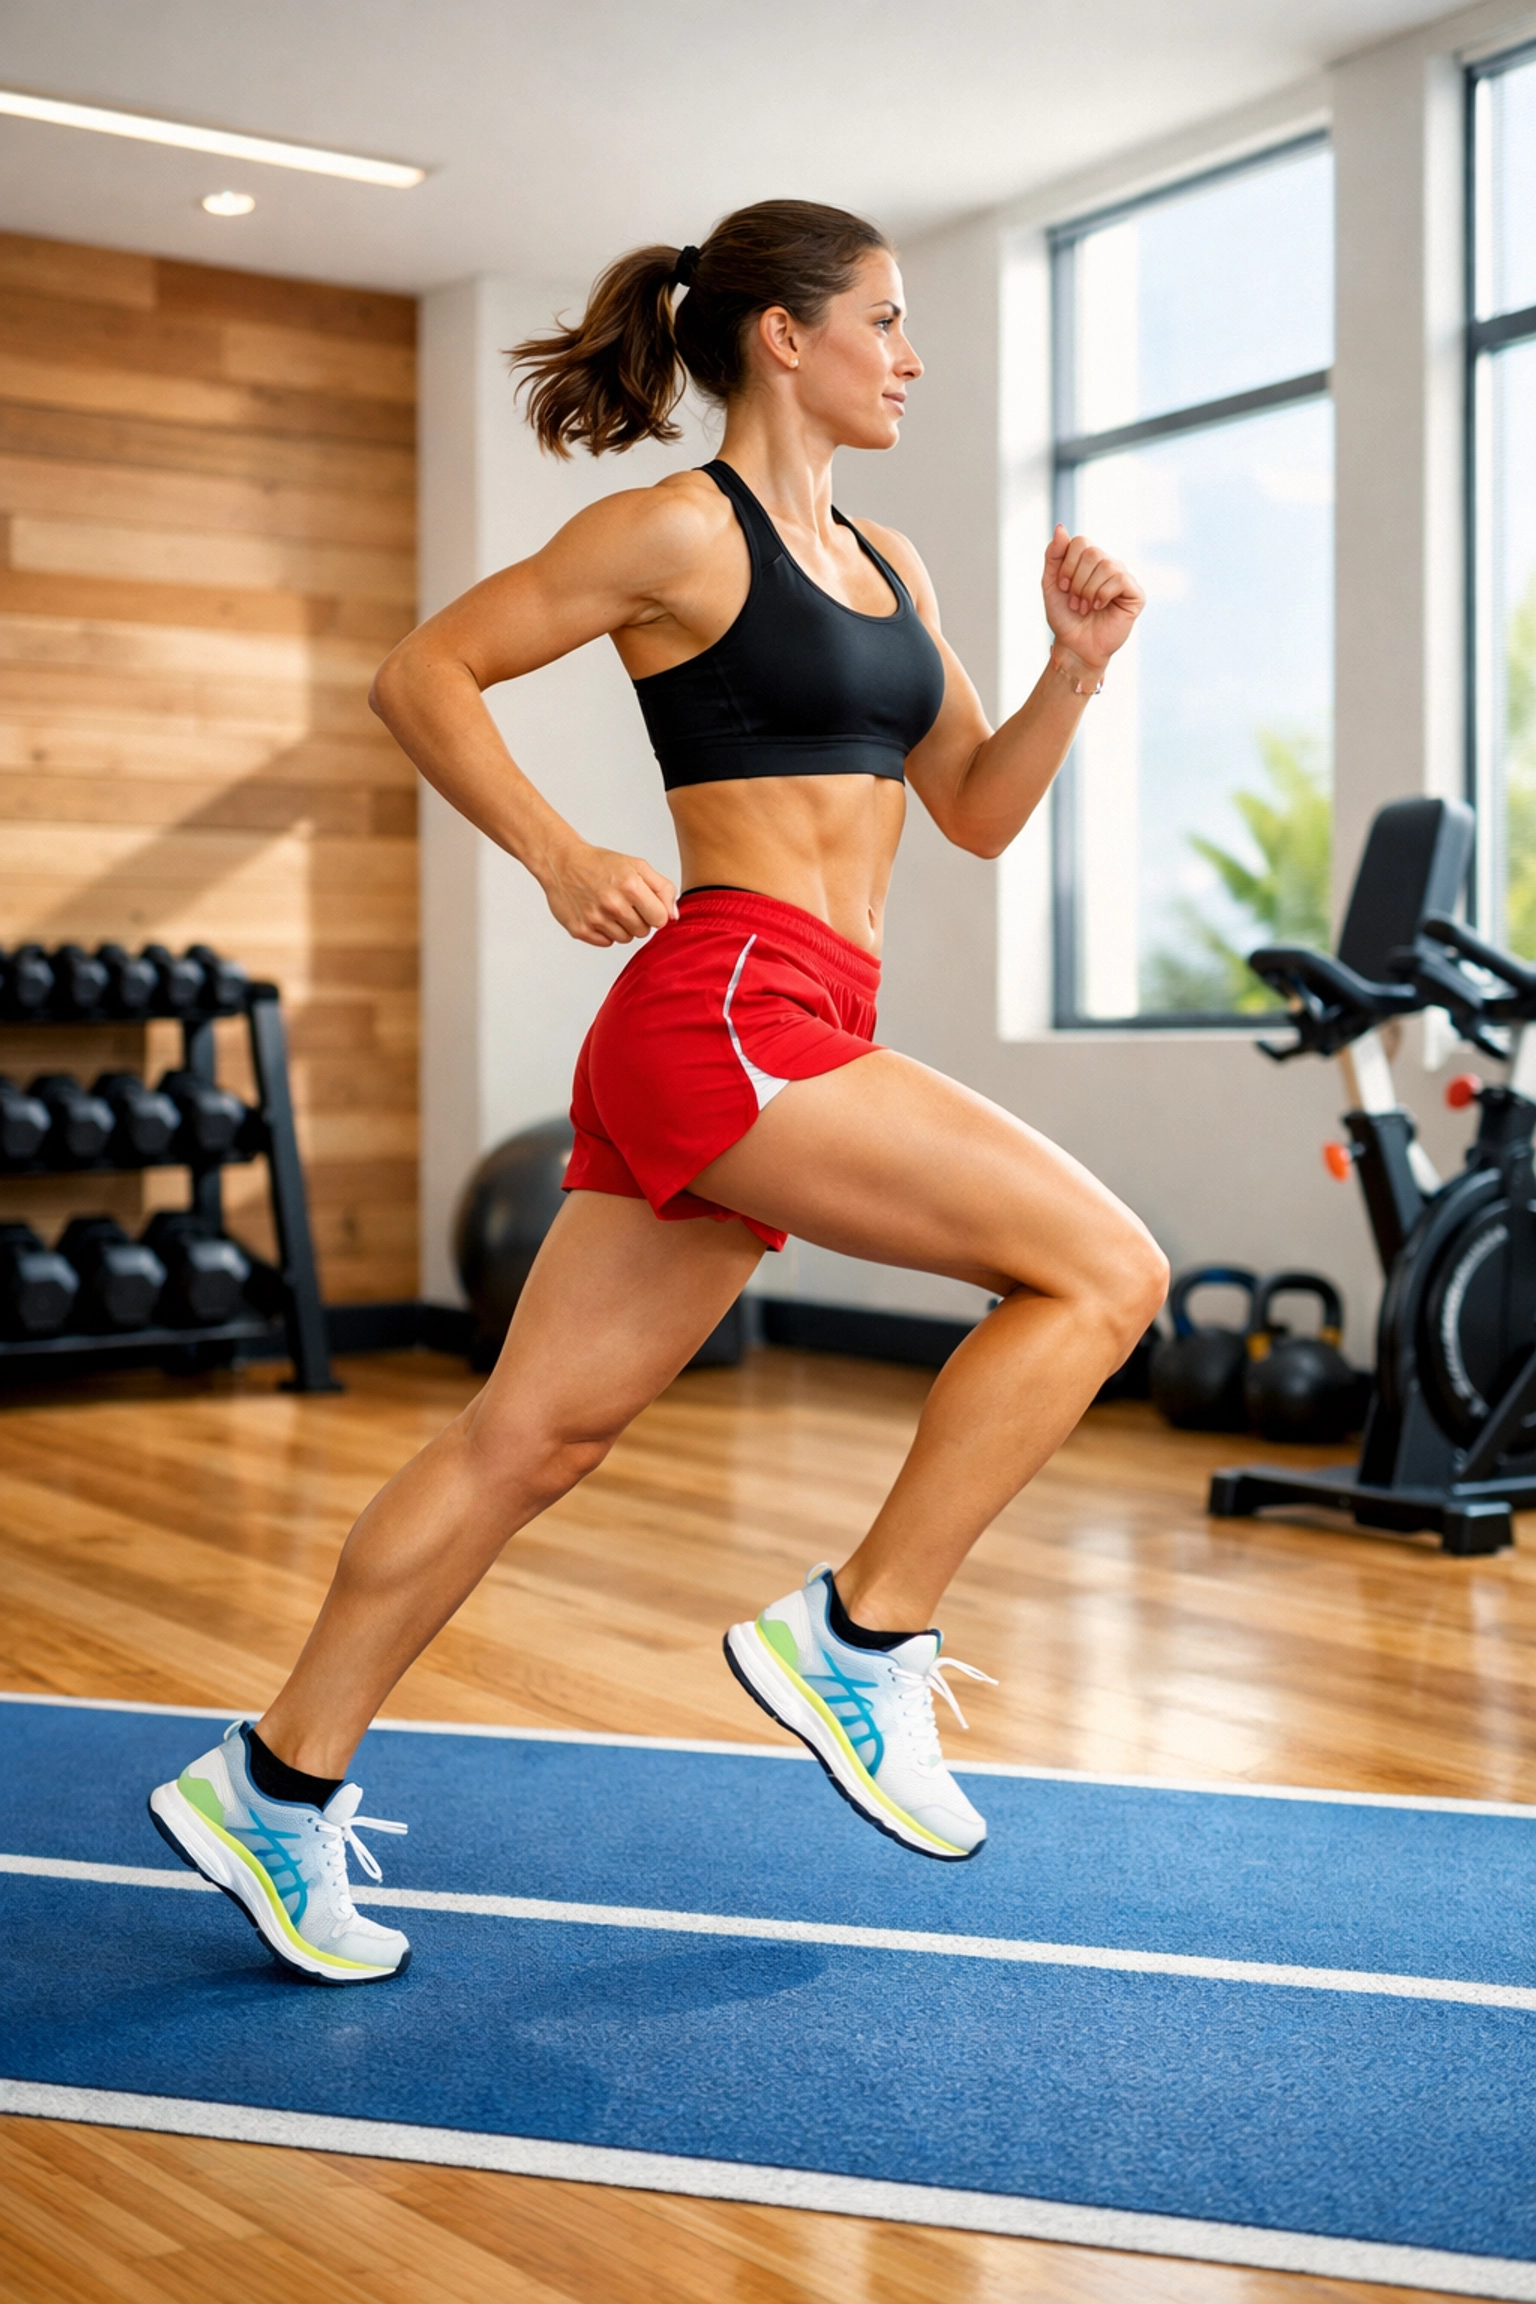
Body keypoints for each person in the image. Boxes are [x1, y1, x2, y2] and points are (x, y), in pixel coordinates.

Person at [150, 199, 1164, 1984]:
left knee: (530, 1438)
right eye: (887, 321)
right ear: (786, 337)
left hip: (798, 1016)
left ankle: (276, 1786)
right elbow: (423, 672)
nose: (911, 357)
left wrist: (1076, 672)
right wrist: (551, 850)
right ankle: (863, 1642)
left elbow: (978, 810)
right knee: (1107, 1274)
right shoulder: (674, 535)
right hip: (732, 1003)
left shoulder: (892, 566)